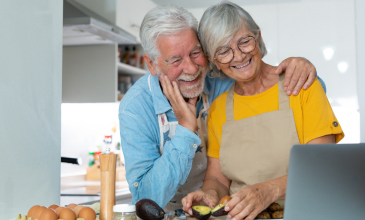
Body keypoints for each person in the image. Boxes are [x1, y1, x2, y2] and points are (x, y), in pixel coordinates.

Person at [119, 4, 324, 212]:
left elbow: (273, 82)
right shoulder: (135, 108)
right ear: (152, 64)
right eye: (176, 60)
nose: (191, 68)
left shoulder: (221, 79)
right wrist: (185, 132)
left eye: (195, 53)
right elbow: (145, 199)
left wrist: (302, 68)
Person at [181, 2, 345, 220]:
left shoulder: (301, 87)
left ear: (257, 37)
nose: (238, 56)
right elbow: (218, 180)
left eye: (244, 42)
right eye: (224, 51)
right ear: (214, 61)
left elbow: (324, 168)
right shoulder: (218, 109)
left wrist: (269, 191)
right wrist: (209, 195)